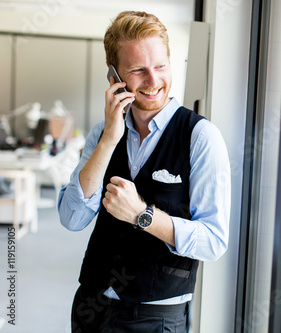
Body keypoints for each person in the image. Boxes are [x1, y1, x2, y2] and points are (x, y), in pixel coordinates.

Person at [58, 11, 231, 333]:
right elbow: (72, 218)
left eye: (161, 66)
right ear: (114, 76)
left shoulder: (200, 136)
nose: (153, 81)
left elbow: (213, 240)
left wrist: (143, 215)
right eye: (138, 70)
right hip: (91, 304)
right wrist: (109, 140)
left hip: (155, 316)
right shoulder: (102, 133)